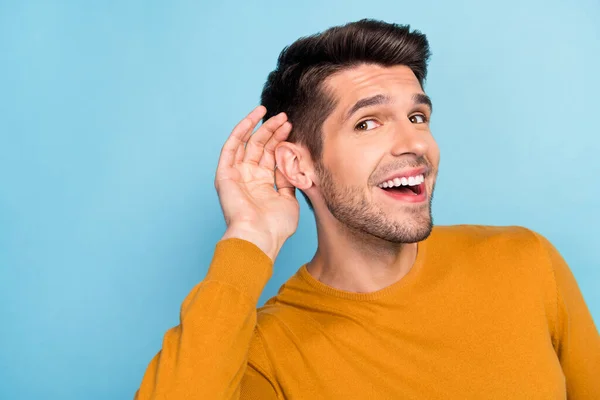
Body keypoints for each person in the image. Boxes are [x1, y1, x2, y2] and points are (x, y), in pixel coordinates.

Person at [134, 19, 599, 399]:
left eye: (418, 117)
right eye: (368, 123)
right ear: (299, 165)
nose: (415, 143)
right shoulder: (267, 354)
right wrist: (250, 237)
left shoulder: (527, 261)